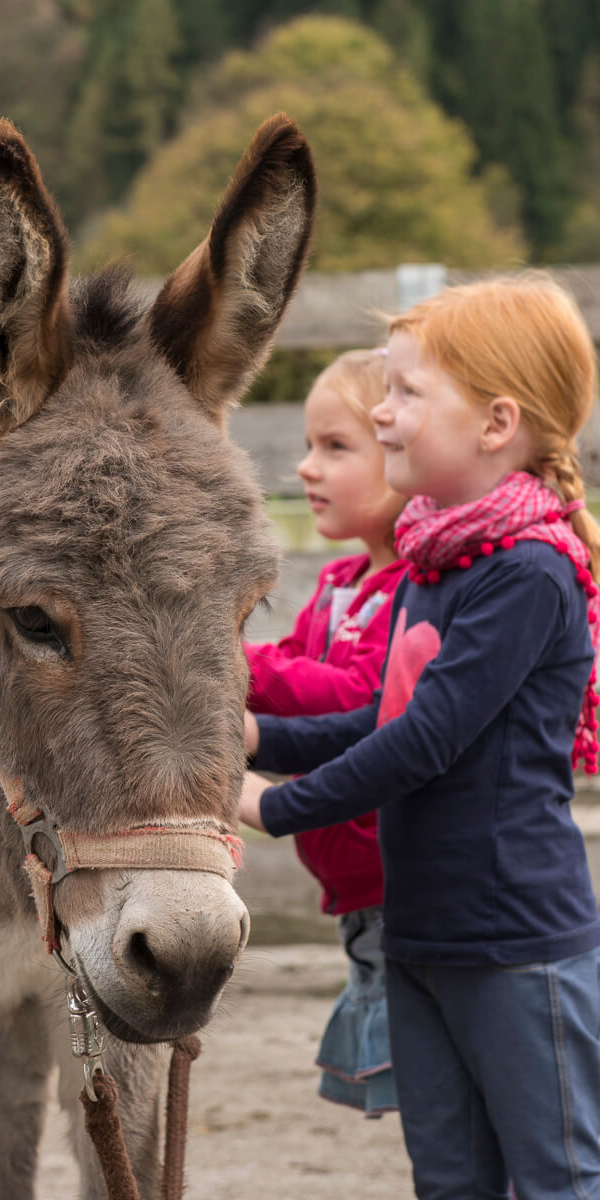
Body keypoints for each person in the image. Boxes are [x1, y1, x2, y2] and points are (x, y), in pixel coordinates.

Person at [240, 274, 600, 1200]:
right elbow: (380, 720)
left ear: (494, 424)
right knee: (448, 1181)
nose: (382, 412)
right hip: (422, 933)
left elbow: (422, 745)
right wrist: (251, 737)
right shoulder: (435, 563)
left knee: (559, 1178)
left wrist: (274, 808)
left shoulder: (525, 573)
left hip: (515, 943)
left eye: (405, 392)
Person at [244, 348, 405, 1116]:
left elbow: (356, 697)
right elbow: (288, 665)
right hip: (350, 892)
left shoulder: (413, 590)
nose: (306, 467)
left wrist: (232, 664)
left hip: (395, 885)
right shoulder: (341, 584)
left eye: (336, 447)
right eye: (309, 445)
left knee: (426, 1084)